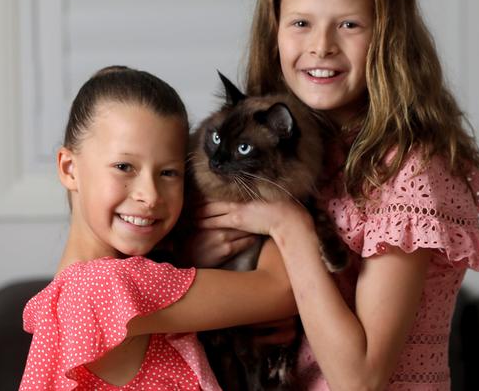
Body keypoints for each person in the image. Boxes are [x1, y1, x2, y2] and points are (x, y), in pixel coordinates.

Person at [196, 0, 479, 391]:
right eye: (301, 23)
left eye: (349, 24)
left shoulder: (409, 171)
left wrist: (288, 226)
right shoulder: (284, 153)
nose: (321, 46)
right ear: (274, 31)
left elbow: (360, 379)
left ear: (388, 37)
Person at [19, 66, 296, 390]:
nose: (149, 196)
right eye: (124, 167)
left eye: (168, 173)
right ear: (69, 169)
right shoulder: (104, 287)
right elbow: (284, 289)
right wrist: (285, 206)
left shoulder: (73, 289)